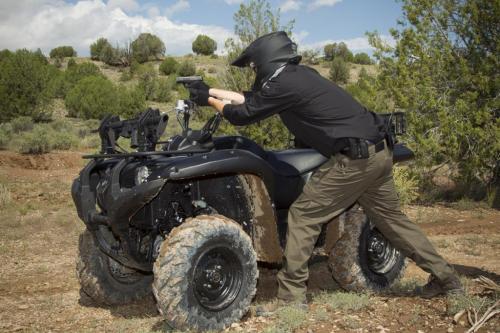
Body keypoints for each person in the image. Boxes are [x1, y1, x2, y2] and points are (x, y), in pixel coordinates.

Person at [187, 31, 464, 306]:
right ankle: (447, 279)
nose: (254, 70)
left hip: (355, 160)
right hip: (377, 154)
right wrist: (208, 91)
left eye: (254, 65)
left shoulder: (284, 83)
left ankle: (291, 298)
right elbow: (249, 98)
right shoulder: (296, 76)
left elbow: (242, 114)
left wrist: (211, 102)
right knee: (393, 221)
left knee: (304, 214)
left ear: (266, 61)